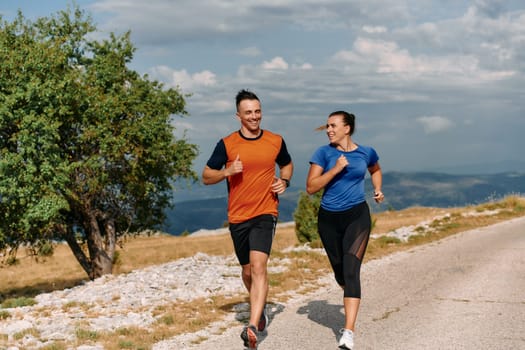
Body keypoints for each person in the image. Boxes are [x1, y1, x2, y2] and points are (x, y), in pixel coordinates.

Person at [202, 89, 293, 349]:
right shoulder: (227, 144)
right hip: (238, 215)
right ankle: (260, 307)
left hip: (266, 212)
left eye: (257, 111)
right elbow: (206, 176)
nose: (254, 117)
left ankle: (252, 327)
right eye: (248, 113)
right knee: (246, 271)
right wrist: (228, 171)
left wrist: (284, 180)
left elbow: (287, 164)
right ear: (238, 116)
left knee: (259, 266)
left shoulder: (275, 140)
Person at [306, 110, 384, 350]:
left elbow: (375, 169)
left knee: (351, 272)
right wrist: (335, 169)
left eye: (333, 126)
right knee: (341, 274)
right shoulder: (323, 153)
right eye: (327, 126)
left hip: (357, 216)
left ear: (347, 128)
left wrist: (377, 189)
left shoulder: (366, 152)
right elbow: (311, 187)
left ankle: (348, 332)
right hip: (329, 220)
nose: (329, 130)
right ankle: (350, 291)